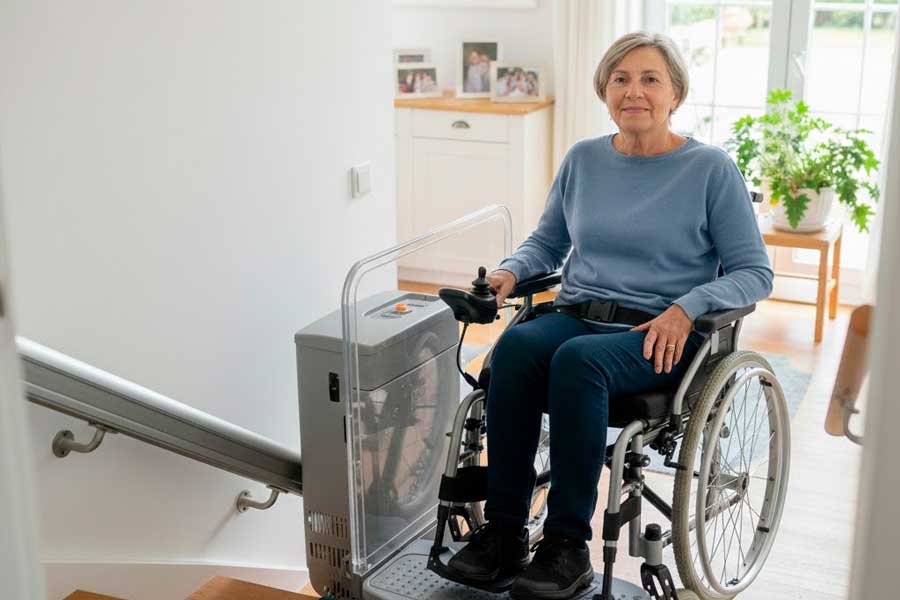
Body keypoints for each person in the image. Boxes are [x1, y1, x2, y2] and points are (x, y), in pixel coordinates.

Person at [446, 31, 773, 600]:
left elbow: (754, 273)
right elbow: (547, 244)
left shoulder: (710, 169)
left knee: (579, 361)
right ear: (604, 91)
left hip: (660, 332)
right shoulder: (584, 159)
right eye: (621, 79)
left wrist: (687, 307)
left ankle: (567, 545)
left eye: (650, 80)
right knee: (516, 348)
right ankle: (503, 532)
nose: (634, 92)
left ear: (675, 94)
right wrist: (508, 274)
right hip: (580, 312)